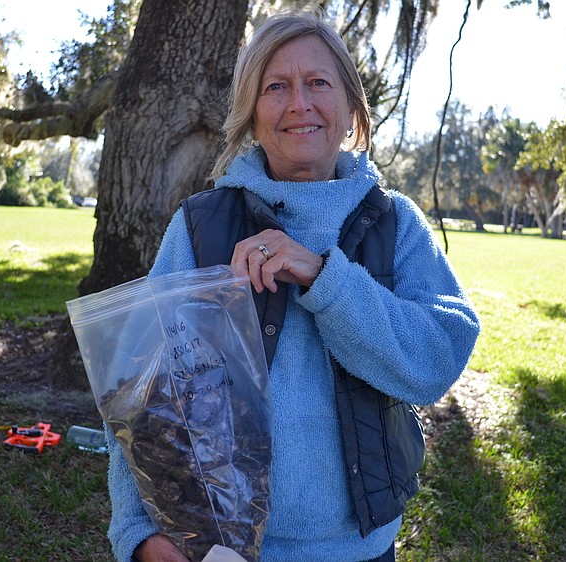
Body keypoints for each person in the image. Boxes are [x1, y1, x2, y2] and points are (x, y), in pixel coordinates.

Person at [105, 10, 480, 562]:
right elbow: (142, 396)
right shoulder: (198, 227)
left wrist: (325, 278)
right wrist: (139, 535)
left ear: (350, 108)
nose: (299, 103)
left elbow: (434, 359)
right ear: (251, 115)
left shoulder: (395, 224)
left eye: (318, 83)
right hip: (227, 552)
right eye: (276, 87)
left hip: (364, 551)